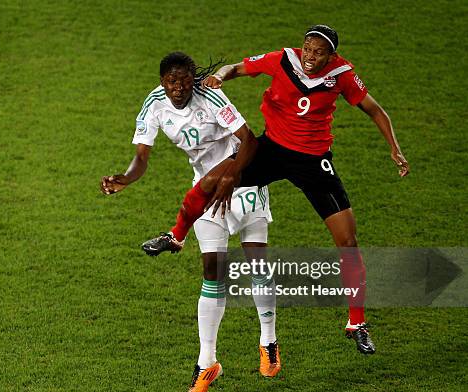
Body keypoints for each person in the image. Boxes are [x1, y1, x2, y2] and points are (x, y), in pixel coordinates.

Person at [141, 25, 410, 355]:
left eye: (319, 52)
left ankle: (357, 323)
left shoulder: (342, 75)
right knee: (211, 181)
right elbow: (238, 67)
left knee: (348, 241)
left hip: (313, 162)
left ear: (331, 55)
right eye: (308, 49)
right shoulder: (283, 60)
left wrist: (394, 148)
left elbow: (374, 109)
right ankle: (176, 236)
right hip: (273, 151)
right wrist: (221, 76)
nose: (311, 57)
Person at [101, 52, 279, 392]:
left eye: (183, 80)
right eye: (171, 81)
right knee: (213, 274)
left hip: (243, 179)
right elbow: (141, 157)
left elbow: (250, 141)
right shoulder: (154, 105)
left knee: (258, 264)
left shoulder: (211, 95)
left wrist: (230, 176)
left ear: (193, 77)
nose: (178, 87)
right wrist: (126, 178)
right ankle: (206, 362)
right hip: (205, 191)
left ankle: (268, 341)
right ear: (162, 81)